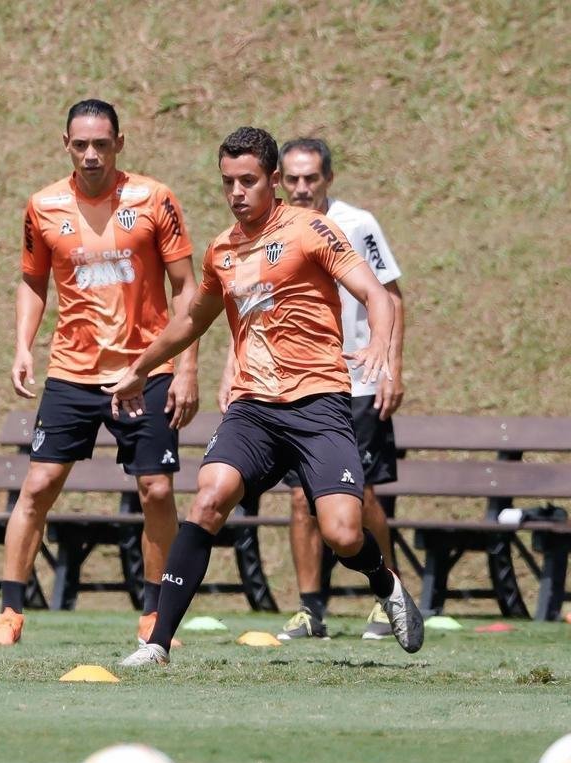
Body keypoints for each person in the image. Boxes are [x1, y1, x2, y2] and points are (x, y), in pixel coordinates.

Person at [109, 127, 424, 667]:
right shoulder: (222, 251)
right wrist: (140, 368)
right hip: (253, 407)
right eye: (228, 182)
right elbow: (190, 320)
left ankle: (383, 580)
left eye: (248, 181)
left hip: (318, 403)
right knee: (209, 498)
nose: (236, 192)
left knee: (344, 533)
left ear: (273, 180)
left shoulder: (310, 230)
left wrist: (379, 342)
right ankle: (157, 643)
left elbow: (376, 293)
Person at [0, 99, 199, 648]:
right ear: (66, 145)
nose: (91, 154)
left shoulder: (154, 198)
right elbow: (33, 282)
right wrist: (23, 346)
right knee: (38, 486)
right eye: (80, 144)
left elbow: (187, 289)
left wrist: (186, 368)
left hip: (146, 369)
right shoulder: (42, 205)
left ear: (119, 143)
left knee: (156, 489)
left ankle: (155, 616)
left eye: (101, 143)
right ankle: (9, 614)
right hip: (72, 371)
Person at [216, 138, 406, 641]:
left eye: (311, 178)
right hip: (286, 386)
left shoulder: (355, 224)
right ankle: (310, 608)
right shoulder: (262, 233)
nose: (302, 187)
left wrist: (390, 364)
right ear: (282, 179)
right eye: (294, 178)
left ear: (328, 179)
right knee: (301, 498)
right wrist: (231, 369)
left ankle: (386, 595)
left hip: (356, 380)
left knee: (360, 496)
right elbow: (250, 307)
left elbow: (389, 295)